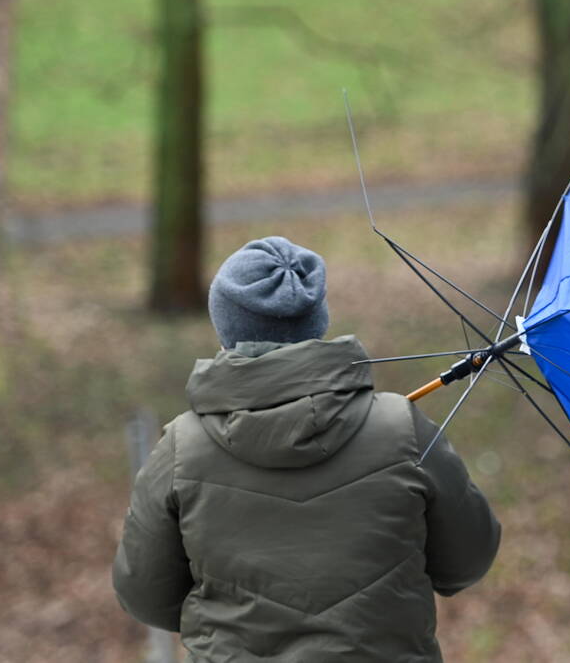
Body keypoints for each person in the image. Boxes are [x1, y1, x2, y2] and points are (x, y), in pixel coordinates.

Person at [113, 236, 501, 662]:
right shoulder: (401, 429)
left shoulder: (182, 448)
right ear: (318, 322)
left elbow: (145, 594)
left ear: (226, 329)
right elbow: (467, 561)